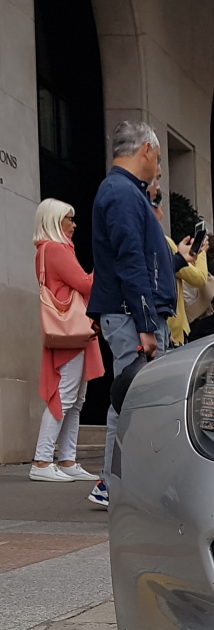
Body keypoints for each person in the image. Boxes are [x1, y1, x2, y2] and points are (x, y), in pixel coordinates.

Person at [84, 121, 183, 509]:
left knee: (131, 398)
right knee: (131, 400)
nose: (158, 167)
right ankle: (112, 483)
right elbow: (131, 261)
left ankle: (118, 482)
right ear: (145, 149)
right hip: (131, 315)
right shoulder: (123, 193)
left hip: (130, 313)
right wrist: (145, 325)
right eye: (158, 157)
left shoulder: (124, 192)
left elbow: (134, 260)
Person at [29, 198, 105, 482]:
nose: (73, 225)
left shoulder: (48, 249)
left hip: (69, 329)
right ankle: (43, 460)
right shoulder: (56, 249)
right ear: (54, 220)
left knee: (73, 397)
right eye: (68, 219)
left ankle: (65, 459)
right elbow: (85, 283)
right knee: (66, 396)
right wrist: (104, 265)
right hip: (71, 330)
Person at [147, 182, 208, 346]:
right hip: (169, 324)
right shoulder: (164, 242)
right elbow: (199, 278)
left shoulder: (152, 239)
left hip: (162, 322)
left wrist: (184, 256)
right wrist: (200, 253)